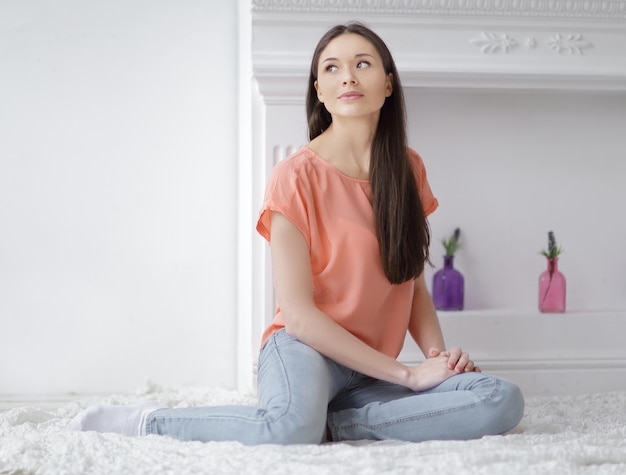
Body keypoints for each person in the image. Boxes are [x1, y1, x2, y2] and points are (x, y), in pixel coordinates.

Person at [69, 22, 524, 445]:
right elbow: (301, 317)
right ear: (319, 91)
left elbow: (413, 286)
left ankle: (333, 422)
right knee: (287, 428)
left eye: (362, 63)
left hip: (368, 373)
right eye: (333, 68)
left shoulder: (409, 168)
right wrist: (406, 378)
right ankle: (151, 421)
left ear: (387, 83)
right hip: (305, 350)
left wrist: (434, 362)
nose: (348, 76)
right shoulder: (293, 177)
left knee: (501, 399)